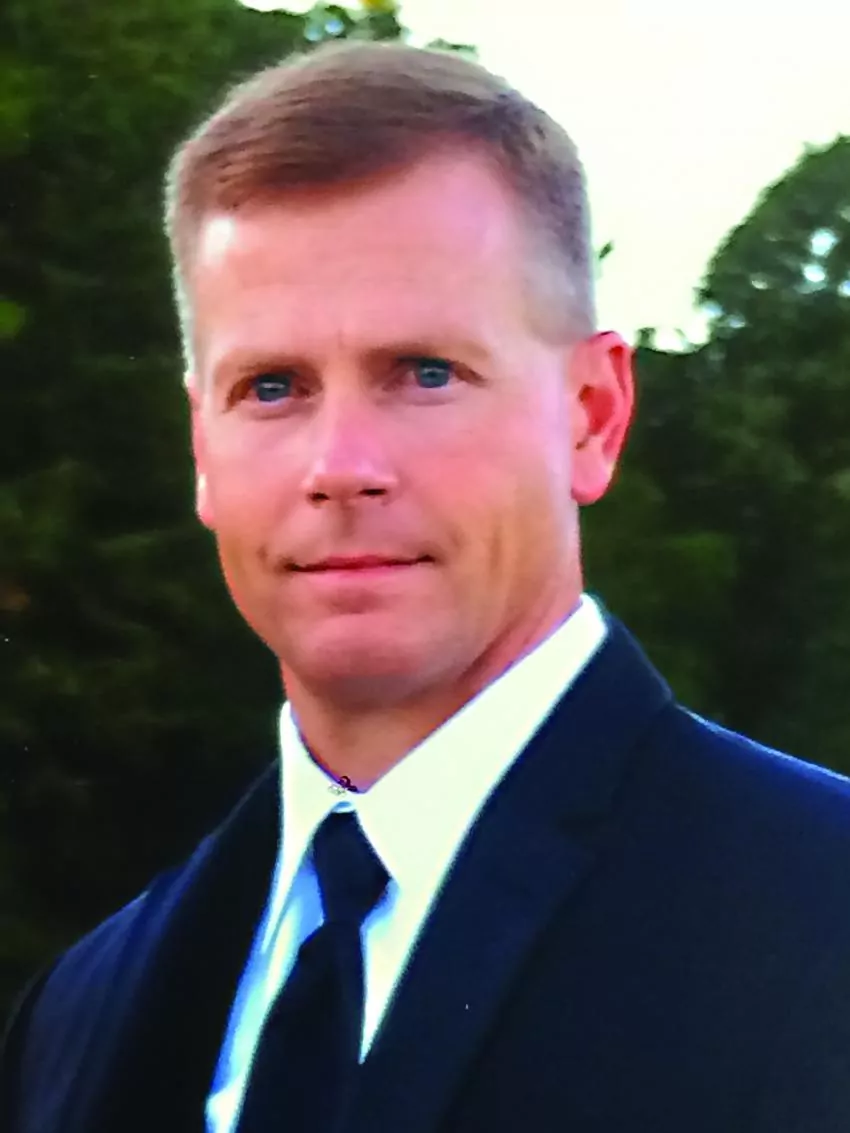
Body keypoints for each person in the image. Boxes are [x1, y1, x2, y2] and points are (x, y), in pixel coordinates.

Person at [3, 40, 850, 1133]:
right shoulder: (78, 1012)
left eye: (425, 373)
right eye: (272, 386)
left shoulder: (821, 916)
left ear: (591, 416)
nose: (339, 465)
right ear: (201, 448)